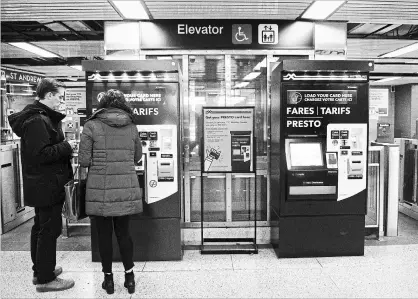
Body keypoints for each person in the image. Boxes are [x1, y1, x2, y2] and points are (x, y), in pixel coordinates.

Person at [8, 78, 76, 292]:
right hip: (46, 184)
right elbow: (40, 154)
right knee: (49, 229)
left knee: (41, 227)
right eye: (59, 96)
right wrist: (67, 146)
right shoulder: (38, 121)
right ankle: (46, 279)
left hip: (44, 183)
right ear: (48, 95)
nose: (60, 101)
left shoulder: (40, 118)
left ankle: (41, 270)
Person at [78, 89, 142, 295]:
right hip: (125, 187)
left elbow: (84, 161)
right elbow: (137, 157)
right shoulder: (131, 126)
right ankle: (130, 278)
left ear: (102, 104)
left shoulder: (90, 125)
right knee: (124, 234)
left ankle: (109, 281)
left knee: (103, 236)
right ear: (122, 104)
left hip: (100, 190)